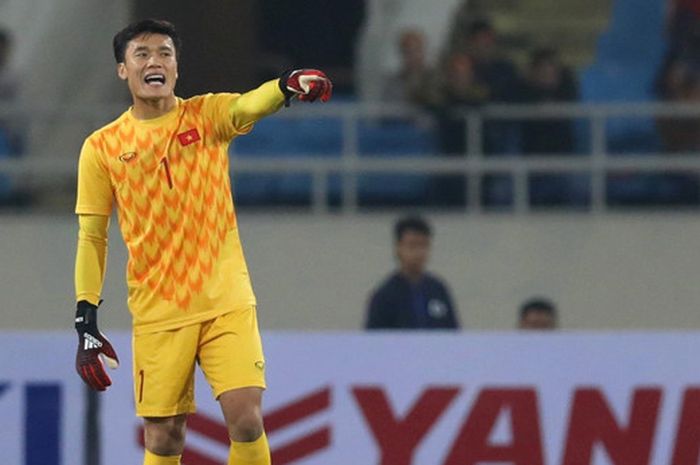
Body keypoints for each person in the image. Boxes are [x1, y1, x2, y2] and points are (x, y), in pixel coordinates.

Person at [72, 19, 332, 465]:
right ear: (123, 70)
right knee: (164, 438)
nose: (155, 61)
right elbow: (92, 236)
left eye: (165, 53)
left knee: (246, 418)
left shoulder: (206, 115)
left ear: (176, 66)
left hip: (225, 298)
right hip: (158, 310)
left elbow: (248, 106)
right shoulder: (102, 148)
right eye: (142, 54)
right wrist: (85, 318)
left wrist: (286, 86)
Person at [365, 216, 460, 329]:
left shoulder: (438, 290)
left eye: (423, 246)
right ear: (398, 248)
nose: (418, 253)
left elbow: (453, 332)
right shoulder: (384, 296)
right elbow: (373, 340)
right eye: (412, 246)